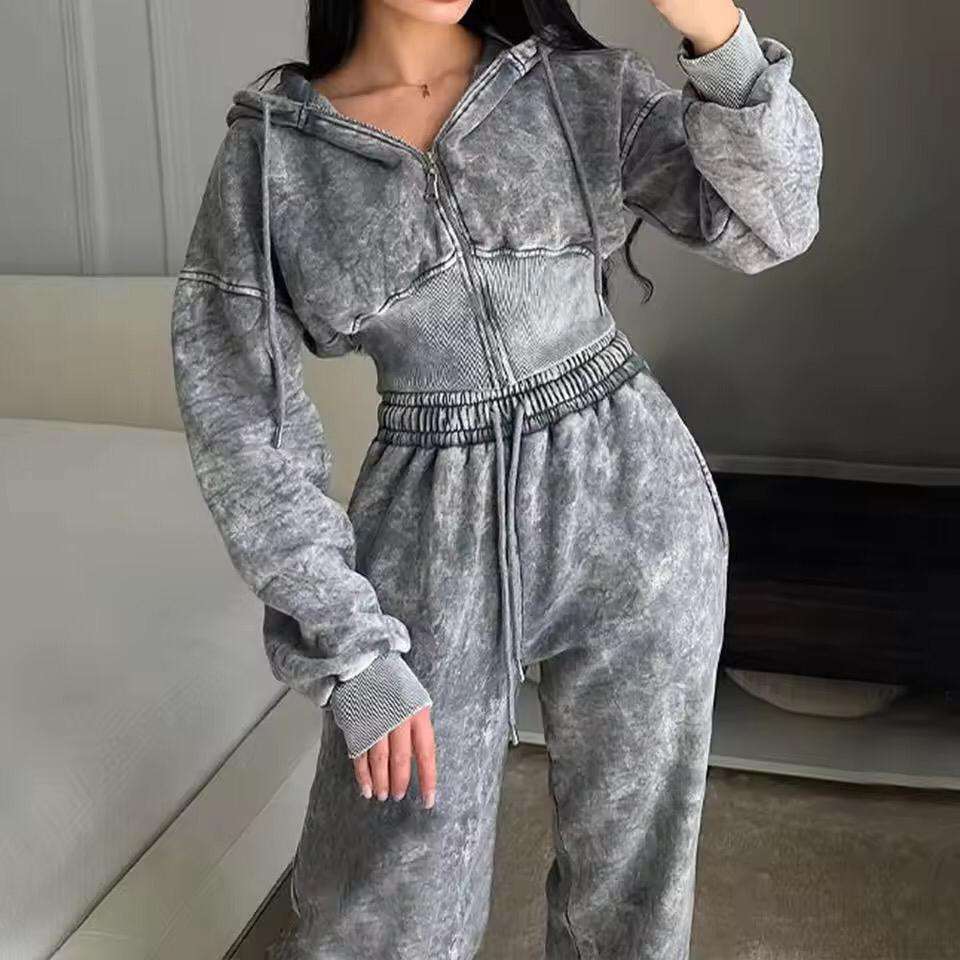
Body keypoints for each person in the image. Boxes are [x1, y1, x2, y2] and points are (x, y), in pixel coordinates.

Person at [169, 0, 822, 955]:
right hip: (428, 530)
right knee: (388, 898)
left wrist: (717, 30)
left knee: (634, 889)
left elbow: (775, 223)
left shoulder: (575, 85)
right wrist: (350, 645)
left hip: (635, 505)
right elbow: (239, 417)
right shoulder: (273, 158)